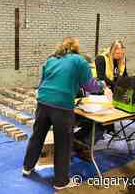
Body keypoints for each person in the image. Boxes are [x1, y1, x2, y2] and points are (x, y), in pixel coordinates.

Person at [22, 37, 109, 190]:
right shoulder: (79, 60)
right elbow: (89, 86)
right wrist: (102, 84)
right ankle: (60, 181)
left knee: (37, 135)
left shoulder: (51, 59)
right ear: (76, 48)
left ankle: (27, 167)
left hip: (43, 102)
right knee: (63, 143)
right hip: (62, 107)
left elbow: (43, 81)